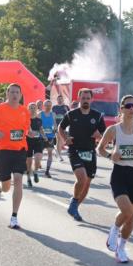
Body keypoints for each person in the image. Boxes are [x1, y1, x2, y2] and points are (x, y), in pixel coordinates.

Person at [97, 94, 133, 263]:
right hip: (119, 174)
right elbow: (99, 149)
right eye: (128, 106)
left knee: (131, 216)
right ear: (121, 108)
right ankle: (113, 231)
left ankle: (121, 248)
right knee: (127, 210)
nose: (131, 109)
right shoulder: (113, 130)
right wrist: (110, 156)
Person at [0, 84, 32, 229]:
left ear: (20, 94)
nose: (14, 95)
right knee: (6, 186)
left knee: (18, 180)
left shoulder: (24, 110)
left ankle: (14, 217)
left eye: (17, 92)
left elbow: (26, 128)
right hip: (2, 150)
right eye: (12, 92)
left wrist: (30, 133)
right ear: (7, 94)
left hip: (19, 150)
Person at [58, 89, 106, 222]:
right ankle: (74, 202)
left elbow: (104, 134)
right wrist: (65, 139)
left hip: (90, 152)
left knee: (87, 184)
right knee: (82, 178)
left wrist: (100, 136)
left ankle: (74, 208)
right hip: (75, 150)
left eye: (87, 98)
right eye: (83, 98)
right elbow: (60, 128)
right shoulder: (71, 114)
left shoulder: (97, 116)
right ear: (79, 99)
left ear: (92, 99)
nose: (85, 100)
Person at [24, 102, 44, 188]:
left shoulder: (39, 120)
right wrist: (28, 133)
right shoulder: (25, 119)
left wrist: (45, 136)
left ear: (36, 109)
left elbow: (40, 129)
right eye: (31, 108)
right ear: (28, 109)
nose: (32, 109)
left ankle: (35, 172)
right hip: (28, 142)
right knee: (29, 162)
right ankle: (28, 178)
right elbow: (23, 129)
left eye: (34, 108)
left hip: (38, 141)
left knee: (38, 159)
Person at [40, 99, 57, 177]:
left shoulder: (53, 114)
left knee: (50, 153)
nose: (48, 107)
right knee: (40, 154)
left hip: (50, 136)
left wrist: (55, 130)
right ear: (44, 106)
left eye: (49, 105)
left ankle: (47, 170)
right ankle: (37, 164)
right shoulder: (40, 114)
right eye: (46, 105)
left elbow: (55, 124)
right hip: (41, 136)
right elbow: (37, 124)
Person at [51, 94, 69, 161]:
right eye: (59, 99)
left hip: (64, 126)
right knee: (59, 139)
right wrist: (54, 125)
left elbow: (68, 115)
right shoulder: (54, 107)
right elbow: (53, 117)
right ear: (57, 100)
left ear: (63, 99)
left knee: (62, 141)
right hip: (56, 125)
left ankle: (57, 152)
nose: (60, 100)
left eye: (61, 99)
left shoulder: (66, 107)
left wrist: (66, 110)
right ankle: (59, 155)